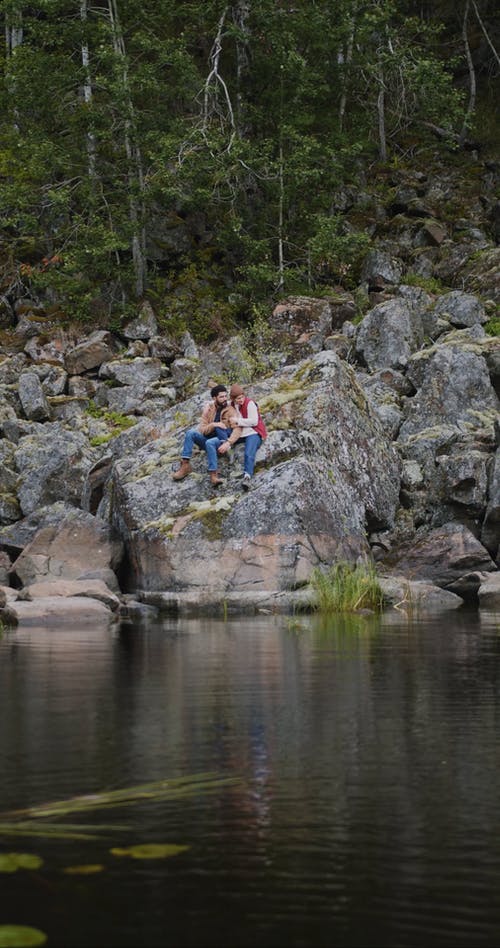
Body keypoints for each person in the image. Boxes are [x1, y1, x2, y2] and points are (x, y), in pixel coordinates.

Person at [172, 384, 240, 487]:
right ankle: (185, 465)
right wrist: (214, 424)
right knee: (190, 433)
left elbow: (237, 429)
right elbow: (202, 429)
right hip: (207, 439)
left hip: (221, 442)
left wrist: (229, 443)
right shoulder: (209, 409)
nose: (224, 399)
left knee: (210, 442)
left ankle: (213, 474)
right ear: (214, 398)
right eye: (221, 397)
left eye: (225, 396)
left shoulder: (230, 410)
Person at [217, 383, 267, 490]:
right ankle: (226, 448)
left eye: (242, 397)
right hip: (241, 432)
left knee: (248, 453)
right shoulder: (232, 405)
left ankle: (247, 477)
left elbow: (254, 421)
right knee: (221, 429)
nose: (241, 400)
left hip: (254, 432)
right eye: (238, 398)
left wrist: (237, 421)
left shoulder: (250, 404)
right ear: (233, 399)